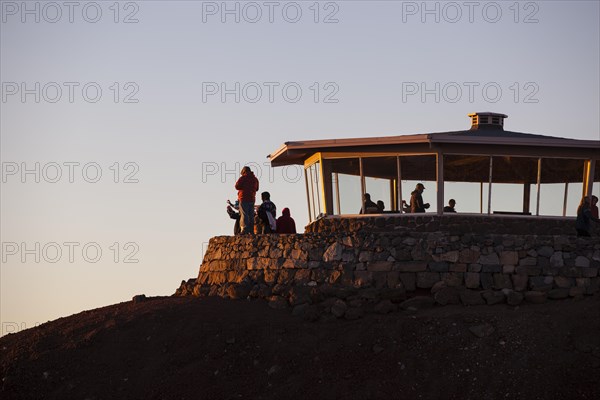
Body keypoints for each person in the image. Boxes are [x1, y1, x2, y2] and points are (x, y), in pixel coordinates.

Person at [235, 166, 259, 235]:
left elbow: (237, 186)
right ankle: (251, 230)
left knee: (244, 214)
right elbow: (257, 188)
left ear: (244, 172)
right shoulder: (255, 179)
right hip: (252, 198)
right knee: (251, 215)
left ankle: (244, 229)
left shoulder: (243, 178)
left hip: (243, 198)